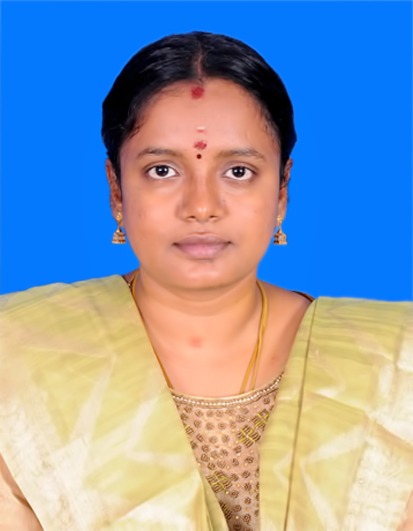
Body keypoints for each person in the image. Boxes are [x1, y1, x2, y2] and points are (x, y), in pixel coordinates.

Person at [0, 31, 412, 531]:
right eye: (162, 170)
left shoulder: (397, 363)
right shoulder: (16, 356)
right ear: (116, 189)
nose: (201, 207)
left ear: (282, 189)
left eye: (238, 171)